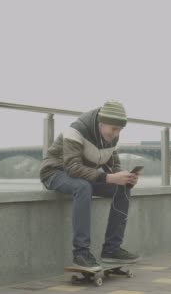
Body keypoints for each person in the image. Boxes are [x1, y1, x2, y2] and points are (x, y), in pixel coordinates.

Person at [40, 100, 140, 271]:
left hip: (83, 176)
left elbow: (112, 166)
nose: (116, 134)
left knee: (122, 188)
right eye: (113, 129)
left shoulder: (111, 137)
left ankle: (111, 249)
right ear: (101, 124)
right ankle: (81, 253)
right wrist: (109, 178)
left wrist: (125, 178)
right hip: (55, 172)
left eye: (120, 130)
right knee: (82, 187)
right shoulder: (76, 130)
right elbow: (72, 168)